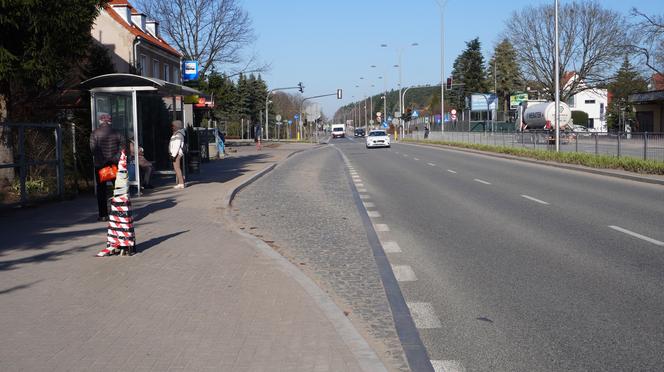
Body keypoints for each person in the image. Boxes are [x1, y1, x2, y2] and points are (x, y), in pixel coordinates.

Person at [90, 112, 125, 221]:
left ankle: (103, 215)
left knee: (101, 190)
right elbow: (123, 147)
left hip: (100, 165)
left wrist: (103, 160)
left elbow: (93, 149)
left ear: (100, 121)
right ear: (110, 121)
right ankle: (119, 213)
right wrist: (114, 158)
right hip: (114, 164)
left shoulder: (94, 133)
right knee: (118, 188)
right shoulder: (117, 133)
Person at [169, 120, 186, 189]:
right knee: (177, 168)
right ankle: (181, 182)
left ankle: (181, 183)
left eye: (173, 126)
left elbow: (176, 145)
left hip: (176, 154)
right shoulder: (177, 133)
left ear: (176, 126)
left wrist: (173, 155)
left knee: (177, 168)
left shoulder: (178, 134)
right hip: (176, 153)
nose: (172, 127)